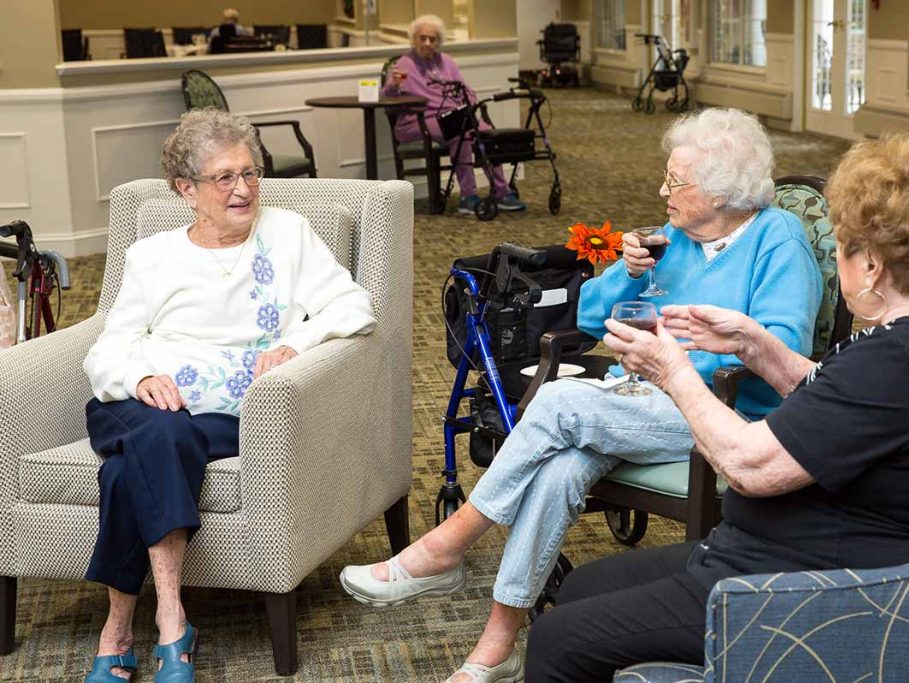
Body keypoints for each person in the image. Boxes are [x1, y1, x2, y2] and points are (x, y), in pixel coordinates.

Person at [340, 108, 823, 683]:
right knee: (561, 466)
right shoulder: (673, 239)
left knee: (561, 404)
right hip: (641, 399)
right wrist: (627, 271)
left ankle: (447, 546)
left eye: (676, 182)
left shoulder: (778, 241)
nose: (661, 191)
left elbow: (780, 356)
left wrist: (677, 364)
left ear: (723, 194)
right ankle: (496, 646)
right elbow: (591, 316)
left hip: (724, 413)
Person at [523, 131, 909, 680]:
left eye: (842, 245)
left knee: (556, 637)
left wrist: (673, 370)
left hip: (794, 591)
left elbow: (749, 466)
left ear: (874, 266)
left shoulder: (897, 363)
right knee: (581, 587)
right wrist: (756, 346)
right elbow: (847, 403)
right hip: (782, 554)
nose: (836, 254)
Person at [82, 109, 376, 683]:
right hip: (136, 404)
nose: (243, 190)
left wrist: (296, 342)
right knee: (158, 428)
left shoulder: (288, 234)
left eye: (250, 173)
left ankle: (121, 630)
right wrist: (139, 379)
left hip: (228, 414)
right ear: (185, 189)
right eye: (224, 178)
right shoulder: (152, 257)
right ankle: (171, 621)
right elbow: (107, 349)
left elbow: (354, 307)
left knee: (130, 468)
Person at [382, 14, 527, 214]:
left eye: (432, 39)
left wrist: (469, 103)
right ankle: (468, 196)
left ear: (438, 42)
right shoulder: (404, 64)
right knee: (460, 132)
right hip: (417, 121)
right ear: (414, 40)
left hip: (452, 116)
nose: (427, 43)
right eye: (422, 38)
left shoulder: (447, 62)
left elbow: (466, 90)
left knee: (486, 132)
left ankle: (501, 191)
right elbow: (386, 97)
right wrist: (394, 85)